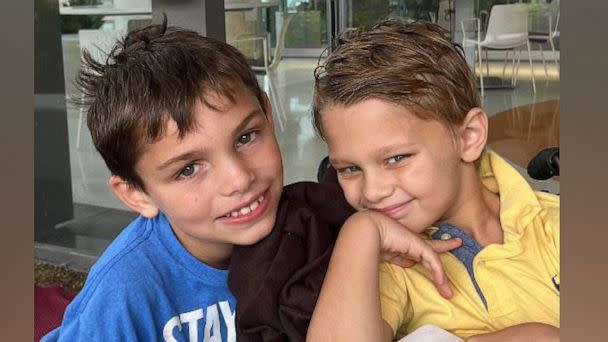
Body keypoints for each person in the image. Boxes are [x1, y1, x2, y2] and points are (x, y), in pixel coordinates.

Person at [307, 19, 560, 341]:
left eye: (396, 158)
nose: (373, 192)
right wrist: (360, 232)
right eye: (349, 169)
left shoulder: (560, 225)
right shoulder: (385, 265)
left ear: (469, 137)